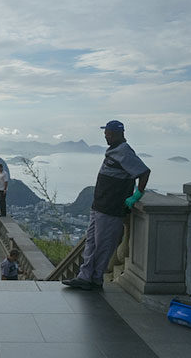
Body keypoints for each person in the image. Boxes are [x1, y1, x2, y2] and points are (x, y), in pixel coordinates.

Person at [62, 120, 150, 290]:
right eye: (105, 133)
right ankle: (86, 276)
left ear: (117, 133)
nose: (105, 136)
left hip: (111, 208)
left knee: (103, 245)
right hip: (99, 206)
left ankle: (94, 278)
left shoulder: (124, 151)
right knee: (92, 243)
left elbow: (144, 172)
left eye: (108, 133)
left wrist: (137, 194)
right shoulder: (114, 150)